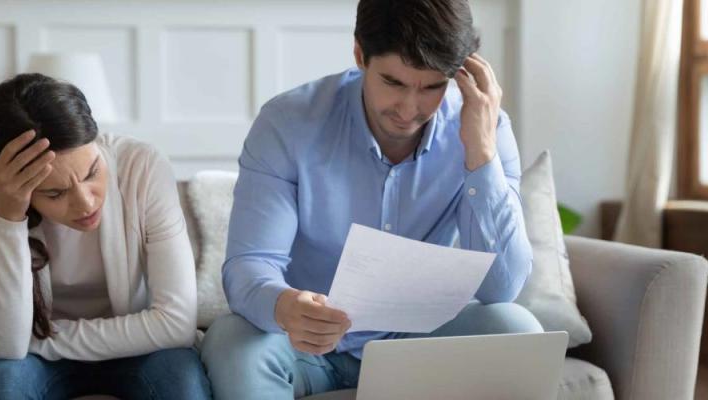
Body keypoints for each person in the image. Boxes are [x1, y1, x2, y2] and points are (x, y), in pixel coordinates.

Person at [200, 0, 542, 398]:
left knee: (516, 328)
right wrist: (284, 306)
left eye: (432, 86)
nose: (409, 110)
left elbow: (502, 288)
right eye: (394, 83)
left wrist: (481, 155)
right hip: (308, 347)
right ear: (360, 54)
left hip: (422, 345)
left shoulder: (486, 128)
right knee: (231, 341)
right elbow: (249, 265)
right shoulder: (288, 122)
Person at [0, 73, 211, 399]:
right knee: (7, 383)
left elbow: (176, 324)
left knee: (184, 384)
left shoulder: (142, 167)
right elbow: (9, 347)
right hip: (37, 360)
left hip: (140, 348)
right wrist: (8, 214)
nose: (86, 202)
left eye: (92, 173)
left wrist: (37, 338)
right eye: (55, 193)